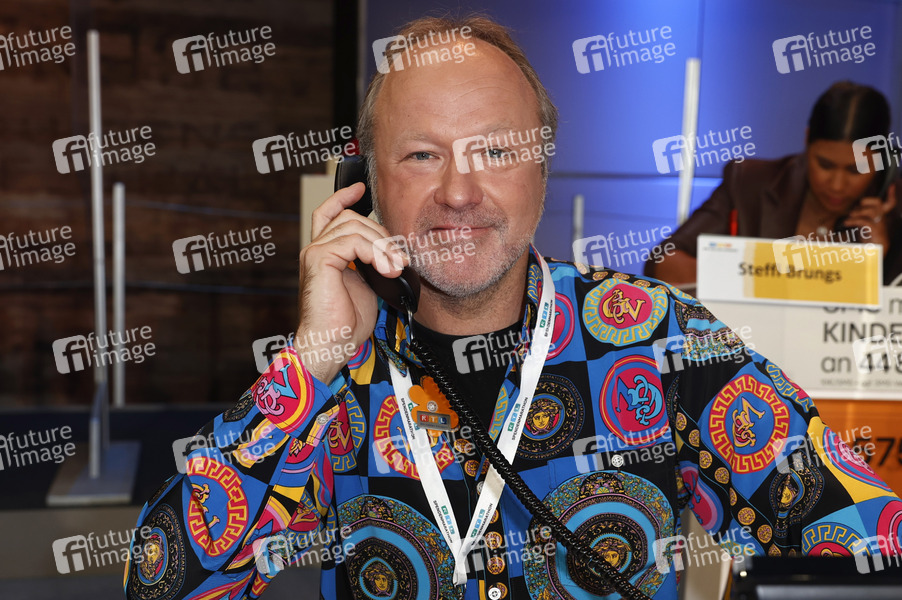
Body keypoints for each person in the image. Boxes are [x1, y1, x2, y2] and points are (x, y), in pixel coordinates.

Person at [124, 17, 902, 600]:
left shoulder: (659, 336)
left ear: (542, 171)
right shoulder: (335, 374)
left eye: (495, 151)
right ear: (364, 184)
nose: (459, 192)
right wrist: (312, 358)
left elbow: (870, 546)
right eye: (421, 154)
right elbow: (161, 583)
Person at [646, 81, 902, 286]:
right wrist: (750, 280)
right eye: (824, 165)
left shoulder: (894, 212)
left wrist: (882, 256)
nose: (836, 185)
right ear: (807, 140)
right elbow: (663, 260)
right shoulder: (749, 183)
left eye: (855, 170)